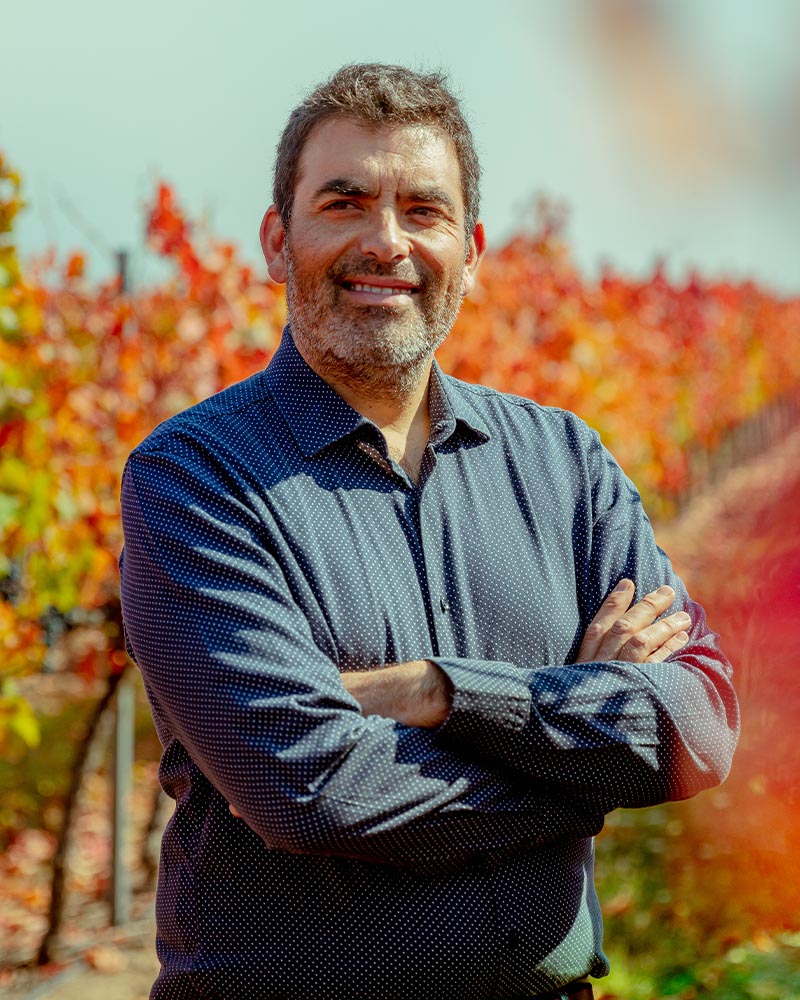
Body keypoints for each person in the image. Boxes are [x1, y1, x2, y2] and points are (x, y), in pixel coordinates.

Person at [119, 63, 739, 1000]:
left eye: (423, 209)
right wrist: (581, 749)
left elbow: (699, 728)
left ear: (473, 249)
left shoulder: (563, 461)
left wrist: (438, 694)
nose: (386, 241)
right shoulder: (195, 478)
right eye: (345, 202)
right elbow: (313, 791)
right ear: (277, 244)